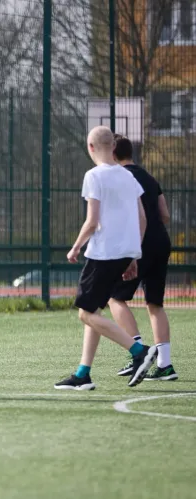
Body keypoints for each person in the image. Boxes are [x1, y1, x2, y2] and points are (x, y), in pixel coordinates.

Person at [54, 126, 157, 391]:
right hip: (124, 253)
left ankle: (139, 351)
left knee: (85, 315)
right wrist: (133, 255)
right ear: (113, 147)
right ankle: (82, 374)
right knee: (94, 311)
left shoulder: (93, 176)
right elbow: (142, 219)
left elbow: (92, 221)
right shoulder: (128, 177)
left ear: (90, 147)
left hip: (103, 254)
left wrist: (76, 247)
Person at [108, 135, 177, 381]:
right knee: (155, 304)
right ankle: (165, 366)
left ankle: (138, 353)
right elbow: (165, 215)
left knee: (115, 298)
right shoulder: (149, 177)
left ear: (112, 153)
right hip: (162, 241)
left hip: (140, 242)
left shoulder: (119, 178)